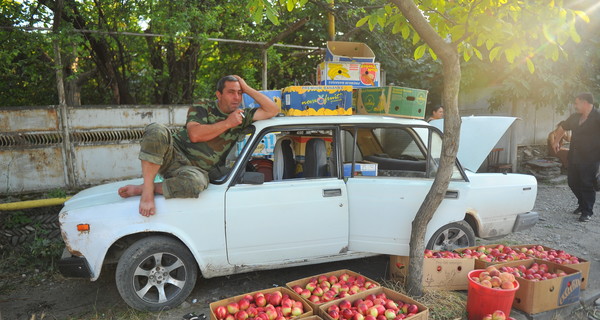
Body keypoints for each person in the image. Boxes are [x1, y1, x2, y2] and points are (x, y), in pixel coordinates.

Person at [118, 75, 279, 217]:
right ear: (219, 94)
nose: (236, 97)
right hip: (173, 153)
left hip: (195, 170)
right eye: (231, 92)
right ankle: (147, 192)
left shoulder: (242, 116)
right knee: (156, 130)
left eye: (239, 93)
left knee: (196, 184)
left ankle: (144, 188)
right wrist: (227, 123)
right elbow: (195, 135)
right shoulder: (203, 106)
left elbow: (272, 110)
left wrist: (246, 87)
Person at [552, 92, 600, 222]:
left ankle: (587, 211)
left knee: (587, 183)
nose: (575, 106)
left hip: (591, 157)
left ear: (585, 103)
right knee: (572, 182)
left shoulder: (597, 117)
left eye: (577, 103)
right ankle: (582, 203)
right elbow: (563, 127)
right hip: (574, 156)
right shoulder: (575, 117)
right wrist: (556, 141)